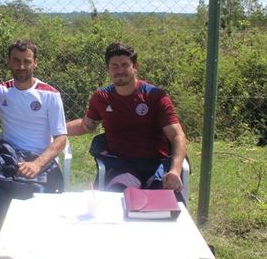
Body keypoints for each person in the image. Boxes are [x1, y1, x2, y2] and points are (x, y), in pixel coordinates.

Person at [0, 40, 67, 259]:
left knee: (32, 202)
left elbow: (60, 139)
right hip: (8, 157)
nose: (21, 66)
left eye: (27, 61)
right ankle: (11, 255)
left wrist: (38, 163)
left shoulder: (50, 94)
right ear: (8, 62)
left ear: (35, 63)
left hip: (40, 159)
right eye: (16, 60)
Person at [66, 42, 186, 198]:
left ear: (135, 66)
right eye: (114, 66)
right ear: (108, 69)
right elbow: (86, 126)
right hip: (121, 165)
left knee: (162, 204)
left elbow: (177, 135)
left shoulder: (155, 96)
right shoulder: (101, 97)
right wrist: (54, 128)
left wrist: (175, 170)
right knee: (117, 201)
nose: (120, 70)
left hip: (156, 164)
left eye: (125, 65)